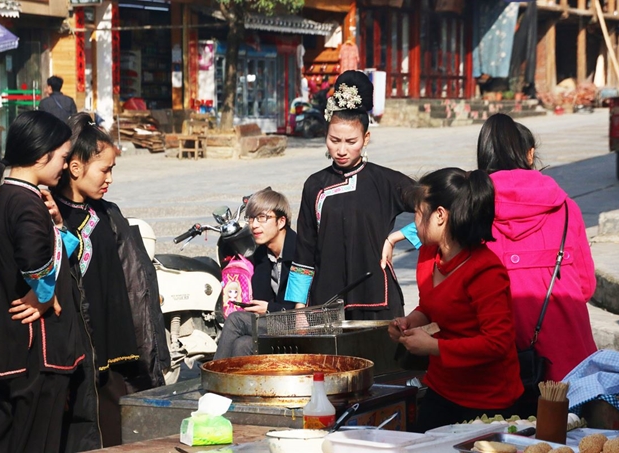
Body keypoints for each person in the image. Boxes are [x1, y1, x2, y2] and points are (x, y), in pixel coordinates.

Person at [53, 112, 169, 451]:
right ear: (75, 168)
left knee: (117, 429)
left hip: (118, 344)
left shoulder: (108, 213)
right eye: (104, 169)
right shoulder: (52, 214)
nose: (110, 179)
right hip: (78, 347)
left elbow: (137, 278)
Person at [0, 110, 85, 452]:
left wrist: (58, 223)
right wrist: (45, 295)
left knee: (12, 439)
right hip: (37, 353)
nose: (65, 167)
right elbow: (35, 262)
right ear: (41, 154)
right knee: (36, 441)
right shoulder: (24, 203)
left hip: (14, 350)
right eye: (63, 158)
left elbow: (60, 249)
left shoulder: (13, 194)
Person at [388, 167, 523, 432]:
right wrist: (410, 321)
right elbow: (431, 305)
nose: (414, 222)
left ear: (440, 215)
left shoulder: (485, 270)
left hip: (488, 399)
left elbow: (497, 342)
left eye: (417, 212)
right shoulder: (429, 253)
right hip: (442, 387)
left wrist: (434, 347)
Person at [285, 70, 415, 320]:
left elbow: (441, 208)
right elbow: (304, 251)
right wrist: (299, 307)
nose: (341, 149)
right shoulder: (314, 185)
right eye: (334, 140)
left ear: (366, 138)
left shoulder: (386, 181)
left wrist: (396, 238)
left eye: (351, 141)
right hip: (326, 305)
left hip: (379, 302)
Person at [477, 113, 597, 382]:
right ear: (529, 155)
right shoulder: (566, 207)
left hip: (497, 355)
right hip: (569, 353)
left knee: (497, 425)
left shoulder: (472, 210)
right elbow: (586, 285)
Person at [214, 188, 301, 359]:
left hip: (300, 322)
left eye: (262, 218)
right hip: (275, 322)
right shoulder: (261, 254)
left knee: (236, 320)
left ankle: (212, 379)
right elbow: (259, 298)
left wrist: (269, 308)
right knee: (243, 344)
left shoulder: (299, 252)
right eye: (251, 218)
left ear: (281, 221)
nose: (254, 225)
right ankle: (236, 384)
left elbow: (301, 304)